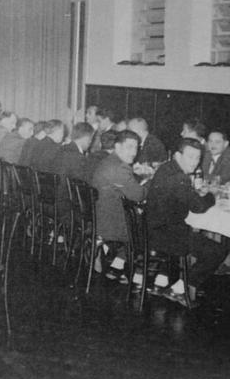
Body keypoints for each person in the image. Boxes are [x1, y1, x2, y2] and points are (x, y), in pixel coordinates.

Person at [147, 138, 227, 306]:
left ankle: (164, 283)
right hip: (167, 236)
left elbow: (183, 199)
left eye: (197, 158)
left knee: (194, 233)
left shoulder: (165, 168)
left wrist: (195, 194)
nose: (194, 162)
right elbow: (198, 207)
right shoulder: (180, 178)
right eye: (190, 157)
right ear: (178, 155)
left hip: (153, 229)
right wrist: (212, 196)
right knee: (218, 250)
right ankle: (181, 289)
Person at [91, 130, 147, 243]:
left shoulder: (108, 161)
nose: (133, 152)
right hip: (114, 226)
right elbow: (139, 195)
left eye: (136, 148)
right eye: (129, 147)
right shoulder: (120, 167)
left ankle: (118, 258)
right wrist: (150, 182)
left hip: (100, 219)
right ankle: (122, 258)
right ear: (117, 146)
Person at [52, 122, 94, 219]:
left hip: (54, 201)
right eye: (91, 139)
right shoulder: (78, 158)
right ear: (86, 138)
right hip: (67, 208)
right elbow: (84, 186)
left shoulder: (61, 149)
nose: (90, 142)